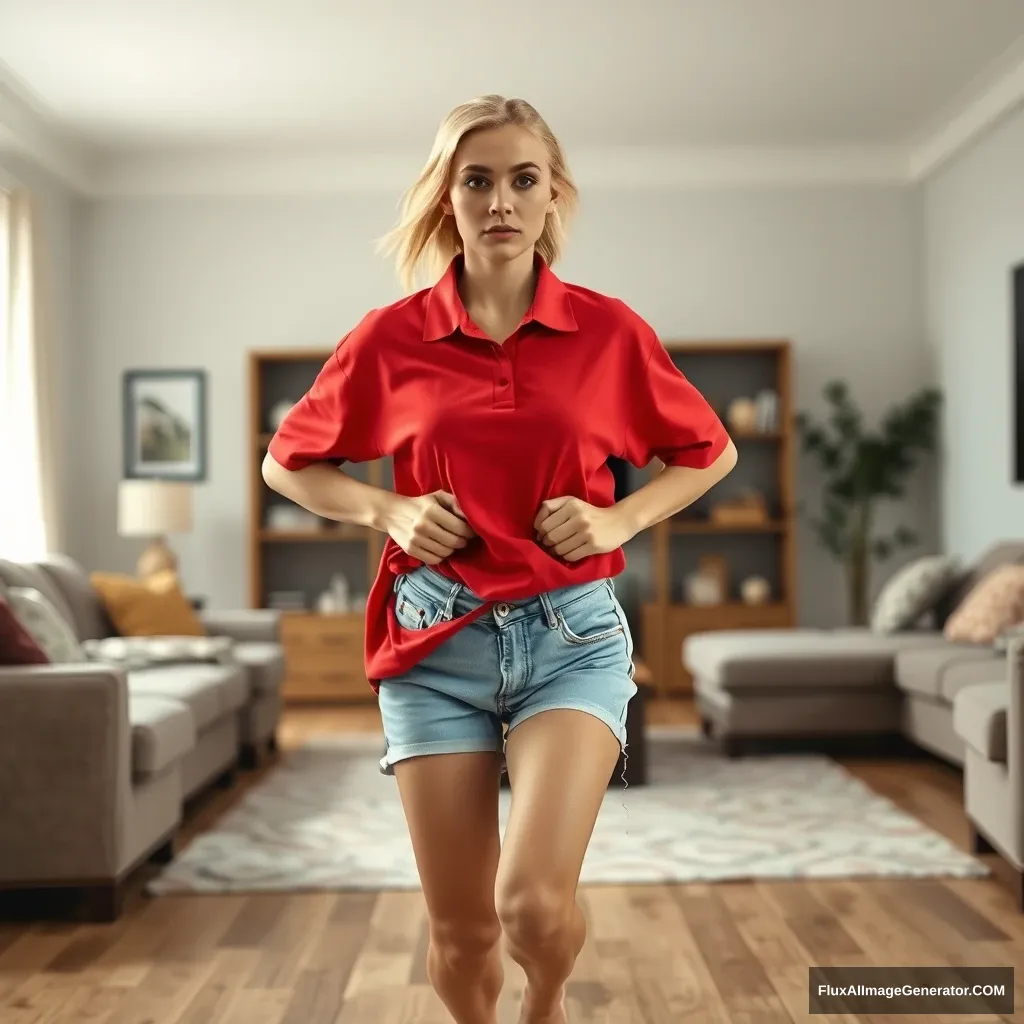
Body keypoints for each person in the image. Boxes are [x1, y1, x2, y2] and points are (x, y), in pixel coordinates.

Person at [263, 94, 737, 1024]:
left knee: (530, 906)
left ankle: (547, 1003)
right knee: (464, 933)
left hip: (573, 635)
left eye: (524, 179)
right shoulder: (390, 338)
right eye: (476, 180)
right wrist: (385, 508)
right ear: (447, 197)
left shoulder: (609, 331)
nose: (500, 201)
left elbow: (709, 451)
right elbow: (287, 464)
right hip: (433, 642)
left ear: (553, 194)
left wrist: (621, 522)